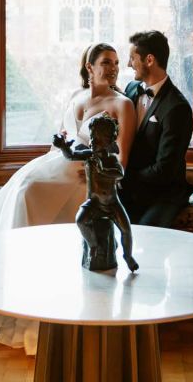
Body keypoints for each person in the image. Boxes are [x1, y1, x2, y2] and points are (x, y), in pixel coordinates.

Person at [0, 43, 136, 354]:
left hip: (84, 178)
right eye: (106, 62)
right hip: (56, 164)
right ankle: (1, 296)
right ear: (89, 67)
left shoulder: (122, 104)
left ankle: (31, 303)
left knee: (29, 193)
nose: (112, 68)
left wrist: (100, 171)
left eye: (116, 63)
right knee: (13, 191)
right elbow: (61, 138)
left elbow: (123, 158)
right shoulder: (75, 97)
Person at [119, 30, 193, 228]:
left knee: (144, 233)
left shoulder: (177, 108)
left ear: (150, 60)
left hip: (164, 193)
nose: (129, 64)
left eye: (132, 58)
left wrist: (124, 177)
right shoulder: (131, 90)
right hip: (131, 188)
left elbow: (164, 170)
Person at [53, 113, 139, 272]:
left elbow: (119, 173)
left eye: (98, 140)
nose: (93, 142)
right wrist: (64, 146)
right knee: (80, 220)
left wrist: (104, 169)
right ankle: (93, 245)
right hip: (94, 202)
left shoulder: (111, 160)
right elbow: (71, 156)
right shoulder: (89, 156)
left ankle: (128, 256)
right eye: (92, 138)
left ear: (109, 142)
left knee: (126, 230)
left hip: (112, 203)